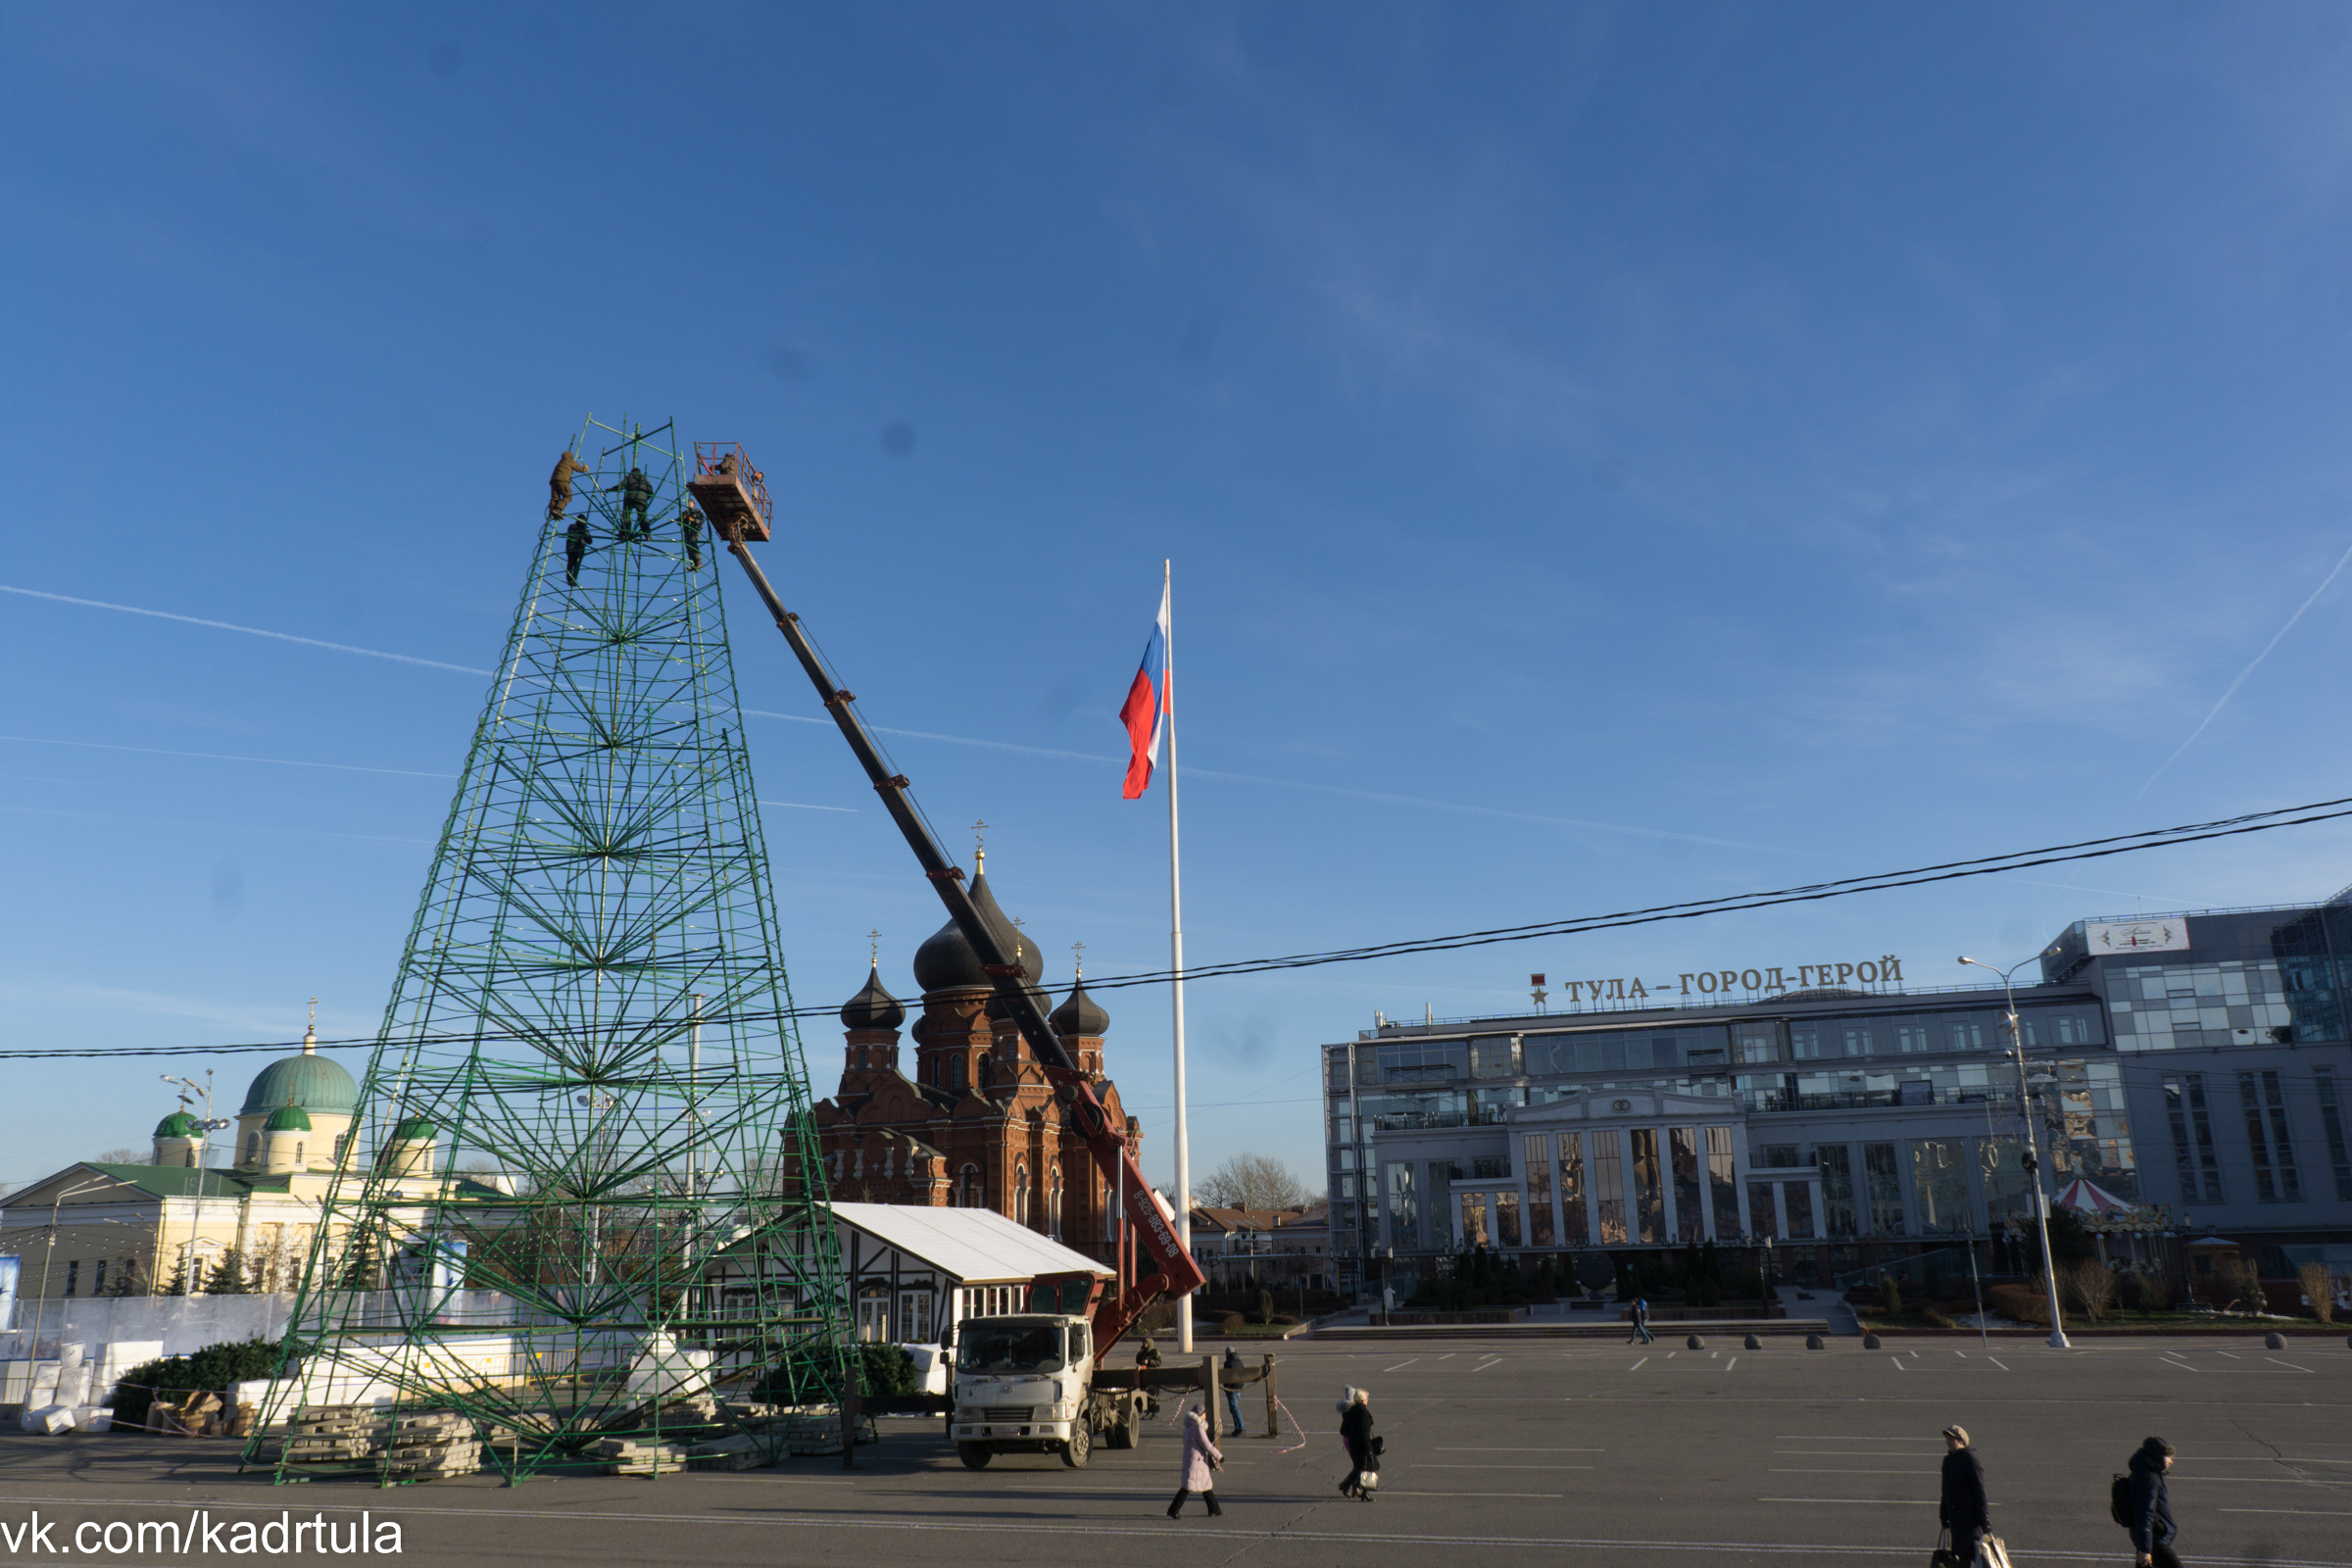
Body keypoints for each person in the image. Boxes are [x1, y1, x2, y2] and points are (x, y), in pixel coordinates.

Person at [2127, 1437, 2179, 1568]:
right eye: (2167, 1456)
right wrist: (2145, 1548)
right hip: (2155, 1542)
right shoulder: (2149, 1479)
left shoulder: (2142, 1474)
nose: (2171, 1461)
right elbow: (2145, 1513)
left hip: (2148, 1539)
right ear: (2158, 1456)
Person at [1938, 1425, 1988, 1560]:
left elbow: (1979, 1492)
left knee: (1977, 1557)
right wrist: (1944, 1515)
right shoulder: (1948, 1460)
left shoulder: (1970, 1459)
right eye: (1947, 1438)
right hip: (1955, 1519)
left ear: (1960, 1440)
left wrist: (1985, 1522)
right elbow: (1946, 1490)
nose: (1948, 1441)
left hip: (1970, 1521)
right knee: (1960, 1558)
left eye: (1951, 1438)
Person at [1167, 1403, 1223, 1519]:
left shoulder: (1188, 1427)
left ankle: (1214, 1509)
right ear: (1200, 1415)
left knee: (1206, 1486)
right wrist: (1219, 1456)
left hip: (1192, 1459)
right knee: (1187, 1487)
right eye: (1204, 1414)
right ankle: (1173, 1510)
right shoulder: (1198, 1427)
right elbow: (1206, 1444)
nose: (1205, 1416)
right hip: (1196, 1461)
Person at [1338, 1386, 1376, 1499]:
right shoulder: (1359, 1412)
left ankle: (1353, 1487)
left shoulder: (1351, 1410)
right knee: (1363, 1466)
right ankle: (1353, 1487)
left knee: (1359, 1466)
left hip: (1351, 1441)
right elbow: (1363, 1432)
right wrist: (1368, 1448)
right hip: (1356, 1442)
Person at [607, 466, 653, 537]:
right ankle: (647, 535)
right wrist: (645, 499)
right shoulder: (645, 479)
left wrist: (611, 489)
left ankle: (625, 533)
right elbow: (650, 492)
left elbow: (621, 486)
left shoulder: (629, 477)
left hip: (630, 497)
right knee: (643, 517)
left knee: (626, 515)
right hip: (642, 500)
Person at [547, 450, 588, 520]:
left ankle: (552, 513)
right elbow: (580, 469)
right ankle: (558, 509)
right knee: (568, 496)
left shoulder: (559, 463)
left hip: (553, 481)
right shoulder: (571, 462)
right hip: (563, 481)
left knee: (555, 498)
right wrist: (585, 468)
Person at [1221, 1346, 1248, 1437]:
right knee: (1233, 1408)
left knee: (1234, 1408)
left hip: (1232, 1387)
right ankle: (1237, 1426)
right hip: (1239, 1386)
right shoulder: (1239, 1361)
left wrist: (1226, 1387)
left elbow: (1227, 1376)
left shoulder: (1228, 1363)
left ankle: (1240, 1427)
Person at [564, 514, 592, 587]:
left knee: (577, 566)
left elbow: (590, 541)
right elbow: (571, 534)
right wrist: (580, 539)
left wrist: (586, 534)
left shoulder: (584, 529)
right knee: (570, 564)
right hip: (572, 548)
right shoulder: (573, 526)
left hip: (580, 550)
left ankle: (574, 579)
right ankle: (570, 580)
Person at [679, 502, 704, 571]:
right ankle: (692, 564)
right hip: (687, 530)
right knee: (688, 545)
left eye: (690, 503)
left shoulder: (697, 511)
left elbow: (700, 521)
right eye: (688, 503)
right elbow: (679, 522)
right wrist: (683, 518)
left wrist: (693, 520)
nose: (689, 504)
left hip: (695, 530)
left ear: (693, 504)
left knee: (693, 543)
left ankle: (698, 562)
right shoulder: (685, 512)